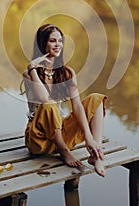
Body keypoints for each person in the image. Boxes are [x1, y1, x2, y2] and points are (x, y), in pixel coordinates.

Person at [22, 23, 107, 177]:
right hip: (39, 140)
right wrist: (32, 68)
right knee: (49, 104)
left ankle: (96, 154)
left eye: (60, 41)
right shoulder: (30, 73)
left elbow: (77, 107)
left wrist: (88, 137)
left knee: (96, 99)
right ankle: (64, 151)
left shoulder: (67, 73)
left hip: (61, 132)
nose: (58, 45)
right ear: (42, 44)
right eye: (52, 41)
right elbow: (43, 99)